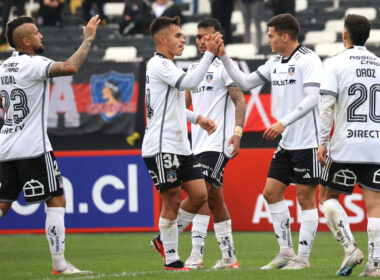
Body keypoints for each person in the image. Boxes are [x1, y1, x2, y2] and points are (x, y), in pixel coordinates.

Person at [217, 13, 323, 270]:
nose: (268, 40)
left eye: (271, 35)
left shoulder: (309, 59)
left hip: (308, 142)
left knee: (305, 198)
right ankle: (285, 251)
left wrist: (282, 122)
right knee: (271, 193)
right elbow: (244, 82)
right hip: (287, 143)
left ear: (285, 36)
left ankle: (303, 258)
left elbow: (313, 98)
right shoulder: (275, 61)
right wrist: (223, 56)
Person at [0, 15, 100, 274]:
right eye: (36, 33)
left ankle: (60, 264)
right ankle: (59, 265)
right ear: (25, 41)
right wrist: (88, 38)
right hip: (33, 147)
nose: (40, 36)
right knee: (56, 200)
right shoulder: (33, 64)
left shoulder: (3, 67)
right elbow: (69, 67)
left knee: (3, 204)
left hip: (5, 146)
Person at [142, 16, 220, 271]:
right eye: (178, 36)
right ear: (162, 39)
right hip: (161, 145)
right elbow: (189, 83)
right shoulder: (159, 64)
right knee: (172, 200)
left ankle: (162, 240)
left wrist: (197, 118)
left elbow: (172, 107)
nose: (183, 40)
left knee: (200, 194)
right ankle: (172, 260)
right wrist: (209, 54)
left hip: (179, 146)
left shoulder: (168, 67)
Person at [178, 18, 245, 270]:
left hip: (219, 143)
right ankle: (229, 258)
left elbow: (240, 100)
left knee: (201, 191)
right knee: (214, 199)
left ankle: (192, 252)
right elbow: (182, 107)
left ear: (218, 38)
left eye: (207, 36)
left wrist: (237, 132)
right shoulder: (193, 69)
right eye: (198, 37)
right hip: (197, 145)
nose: (201, 41)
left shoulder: (226, 66)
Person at [317, 14, 380, 277]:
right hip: (376, 144)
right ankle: (375, 265)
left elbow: (326, 106)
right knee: (375, 205)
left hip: (346, 144)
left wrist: (322, 142)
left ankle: (350, 247)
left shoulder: (335, 63)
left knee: (326, 197)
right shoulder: (379, 63)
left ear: (345, 34)